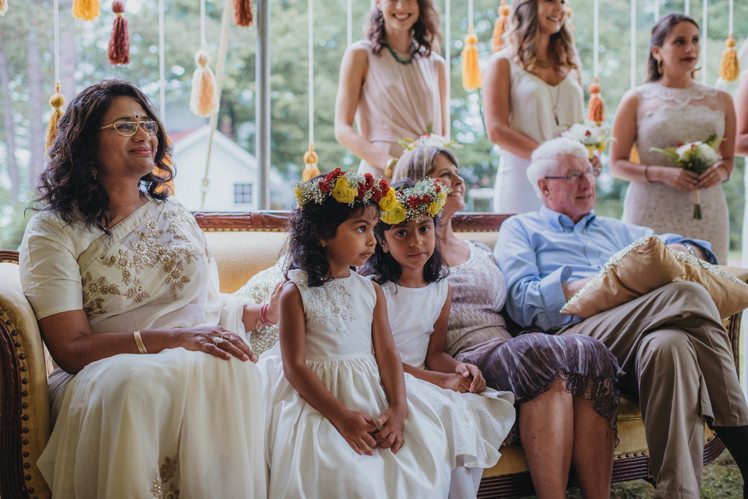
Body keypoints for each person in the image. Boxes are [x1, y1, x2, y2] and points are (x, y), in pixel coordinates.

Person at [19, 80, 268, 497]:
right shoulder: (54, 231)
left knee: (228, 364)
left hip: (191, 354)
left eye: (146, 123)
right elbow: (71, 349)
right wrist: (176, 340)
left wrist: (254, 312)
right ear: (85, 143)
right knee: (134, 384)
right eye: (123, 125)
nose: (142, 134)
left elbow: (204, 306)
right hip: (105, 370)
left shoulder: (175, 214)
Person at [496, 137, 748, 497]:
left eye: (590, 172)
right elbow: (523, 301)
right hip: (573, 341)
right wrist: (603, 280)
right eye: (573, 175)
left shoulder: (618, 230)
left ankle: (678, 492)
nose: (587, 182)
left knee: (670, 345)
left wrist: (686, 249)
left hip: (636, 342)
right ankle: (742, 438)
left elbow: (692, 249)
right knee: (686, 294)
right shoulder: (520, 229)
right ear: (543, 186)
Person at [391, 138, 622, 498]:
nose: (458, 181)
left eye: (458, 173)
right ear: (419, 186)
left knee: (587, 349)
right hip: (465, 354)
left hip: (512, 344)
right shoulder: (408, 250)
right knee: (539, 353)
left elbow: (517, 304)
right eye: (443, 175)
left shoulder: (482, 249)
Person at [257, 170, 455, 498]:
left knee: (412, 461)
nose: (372, 240)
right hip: (319, 397)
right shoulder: (297, 292)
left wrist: (398, 406)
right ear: (322, 234)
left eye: (374, 229)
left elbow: (387, 354)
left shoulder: (370, 291)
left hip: (367, 388)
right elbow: (295, 367)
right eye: (361, 228)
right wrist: (343, 417)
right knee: (337, 468)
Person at [360, 178, 516, 498]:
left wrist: (458, 369)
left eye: (424, 228)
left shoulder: (441, 288)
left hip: (423, 374)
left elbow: (435, 354)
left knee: (470, 409)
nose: (417, 241)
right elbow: (378, 358)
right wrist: (440, 381)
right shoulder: (376, 290)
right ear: (384, 242)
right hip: (383, 377)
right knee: (443, 412)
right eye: (402, 232)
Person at [609, 12, 734, 264]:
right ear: (657, 52)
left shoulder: (721, 99)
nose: (691, 48)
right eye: (679, 41)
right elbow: (616, 164)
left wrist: (719, 173)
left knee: (711, 285)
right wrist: (662, 174)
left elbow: (728, 160)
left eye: (696, 40)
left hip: (707, 210)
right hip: (650, 209)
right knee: (650, 282)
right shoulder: (636, 98)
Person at [483, 0, 585, 214]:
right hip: (522, 179)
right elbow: (496, 131)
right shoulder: (502, 63)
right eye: (550, 1)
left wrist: (587, 156)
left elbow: (581, 125)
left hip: (572, 182)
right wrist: (553, 160)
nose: (559, 8)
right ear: (526, 6)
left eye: (562, 2)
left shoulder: (571, 64)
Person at [334, 0, 446, 178]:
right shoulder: (360, 54)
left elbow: (443, 133)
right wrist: (391, 164)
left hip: (427, 176)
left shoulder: (437, 64)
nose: (401, 6)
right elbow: (342, 129)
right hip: (381, 174)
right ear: (378, 2)